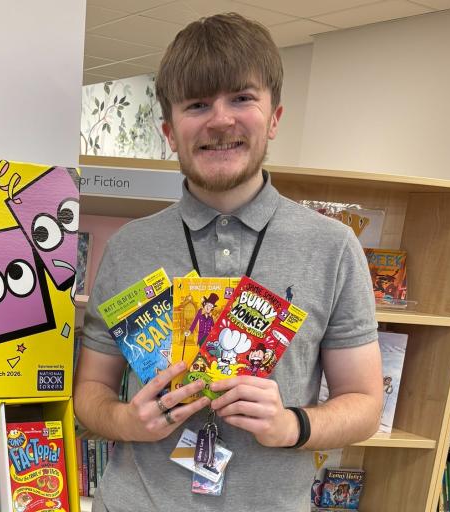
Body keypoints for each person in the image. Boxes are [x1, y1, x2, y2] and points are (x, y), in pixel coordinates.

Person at [73, 12, 382, 511]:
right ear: (170, 131)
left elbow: (365, 404)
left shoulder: (333, 247)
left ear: (275, 118)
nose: (220, 120)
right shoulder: (130, 246)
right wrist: (128, 422)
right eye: (197, 104)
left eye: (241, 98)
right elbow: (90, 391)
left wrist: (292, 425)